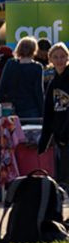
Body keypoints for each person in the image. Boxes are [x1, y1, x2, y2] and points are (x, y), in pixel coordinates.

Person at [38, 42, 69, 186]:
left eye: (62, 57)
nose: (59, 60)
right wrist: (43, 142)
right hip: (60, 134)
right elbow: (49, 113)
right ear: (50, 59)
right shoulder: (53, 83)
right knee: (61, 173)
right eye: (56, 57)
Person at [0, 37, 46, 120]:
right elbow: (39, 91)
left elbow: (2, 86)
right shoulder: (37, 67)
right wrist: (43, 112)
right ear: (34, 50)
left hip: (12, 109)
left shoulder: (10, 64)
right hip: (32, 109)